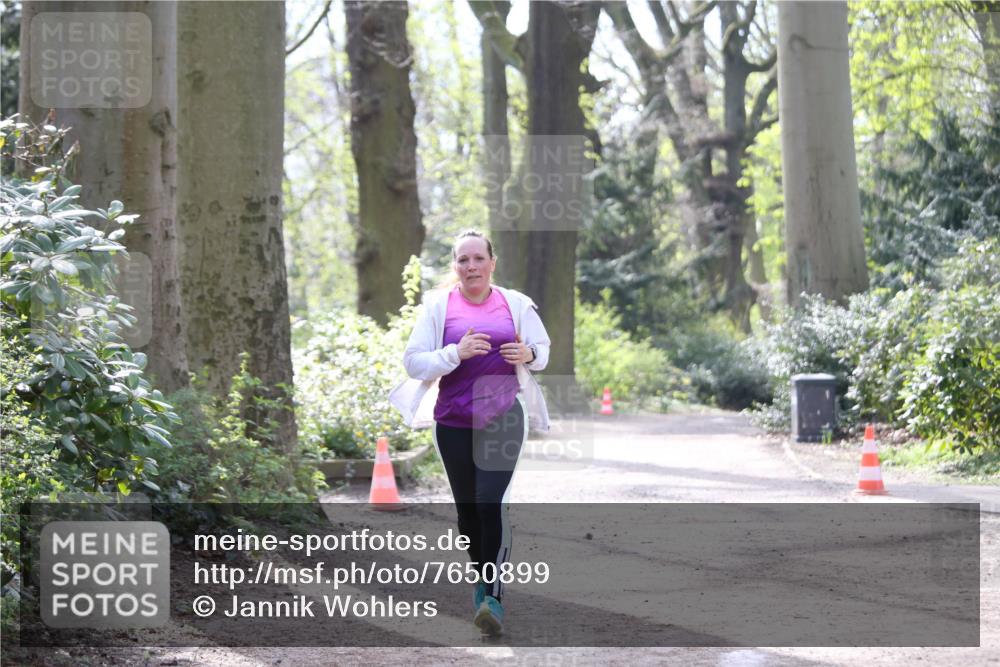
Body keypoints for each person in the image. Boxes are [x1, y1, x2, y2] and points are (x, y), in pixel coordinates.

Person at [389, 229, 551, 636]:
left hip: (504, 417)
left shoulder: (515, 304)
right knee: (467, 513)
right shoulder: (438, 308)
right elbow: (413, 362)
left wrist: (528, 354)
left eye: (479, 258)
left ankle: (492, 598)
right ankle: (482, 579)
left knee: (489, 503)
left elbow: (543, 350)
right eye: (463, 260)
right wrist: (454, 354)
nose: (471, 266)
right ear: (455, 266)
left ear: (492, 263)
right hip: (453, 422)